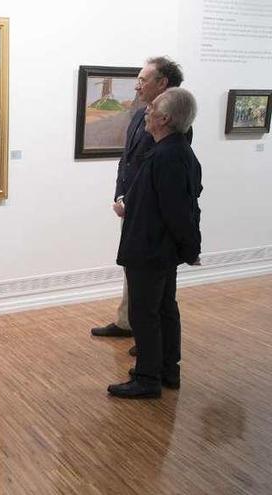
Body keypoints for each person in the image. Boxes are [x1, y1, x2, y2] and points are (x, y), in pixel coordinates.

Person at [91, 56, 190, 358]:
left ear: (162, 83)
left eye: (143, 79)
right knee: (133, 271)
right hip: (132, 206)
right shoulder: (139, 115)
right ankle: (128, 322)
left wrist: (132, 200)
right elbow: (128, 161)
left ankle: (151, 344)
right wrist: (120, 195)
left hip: (151, 213)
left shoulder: (173, 121)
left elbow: (156, 171)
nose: (137, 85)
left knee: (155, 285)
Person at [108, 87, 202, 399]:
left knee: (145, 314)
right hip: (159, 248)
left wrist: (191, 247)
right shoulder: (177, 151)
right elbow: (175, 200)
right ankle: (166, 369)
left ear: (164, 119)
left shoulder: (166, 155)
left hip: (150, 248)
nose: (146, 113)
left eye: (152, 110)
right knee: (163, 309)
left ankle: (148, 378)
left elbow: (177, 210)